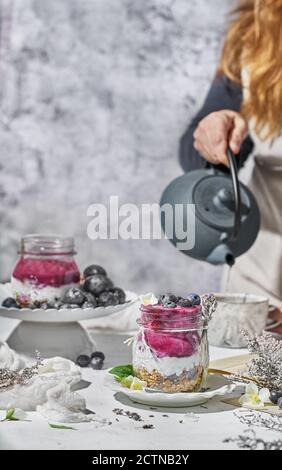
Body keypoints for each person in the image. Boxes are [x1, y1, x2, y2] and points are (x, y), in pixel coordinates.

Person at [179, 0, 282, 332]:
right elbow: (199, 156)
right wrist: (219, 132)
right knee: (250, 380)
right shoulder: (255, 31)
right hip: (265, 271)